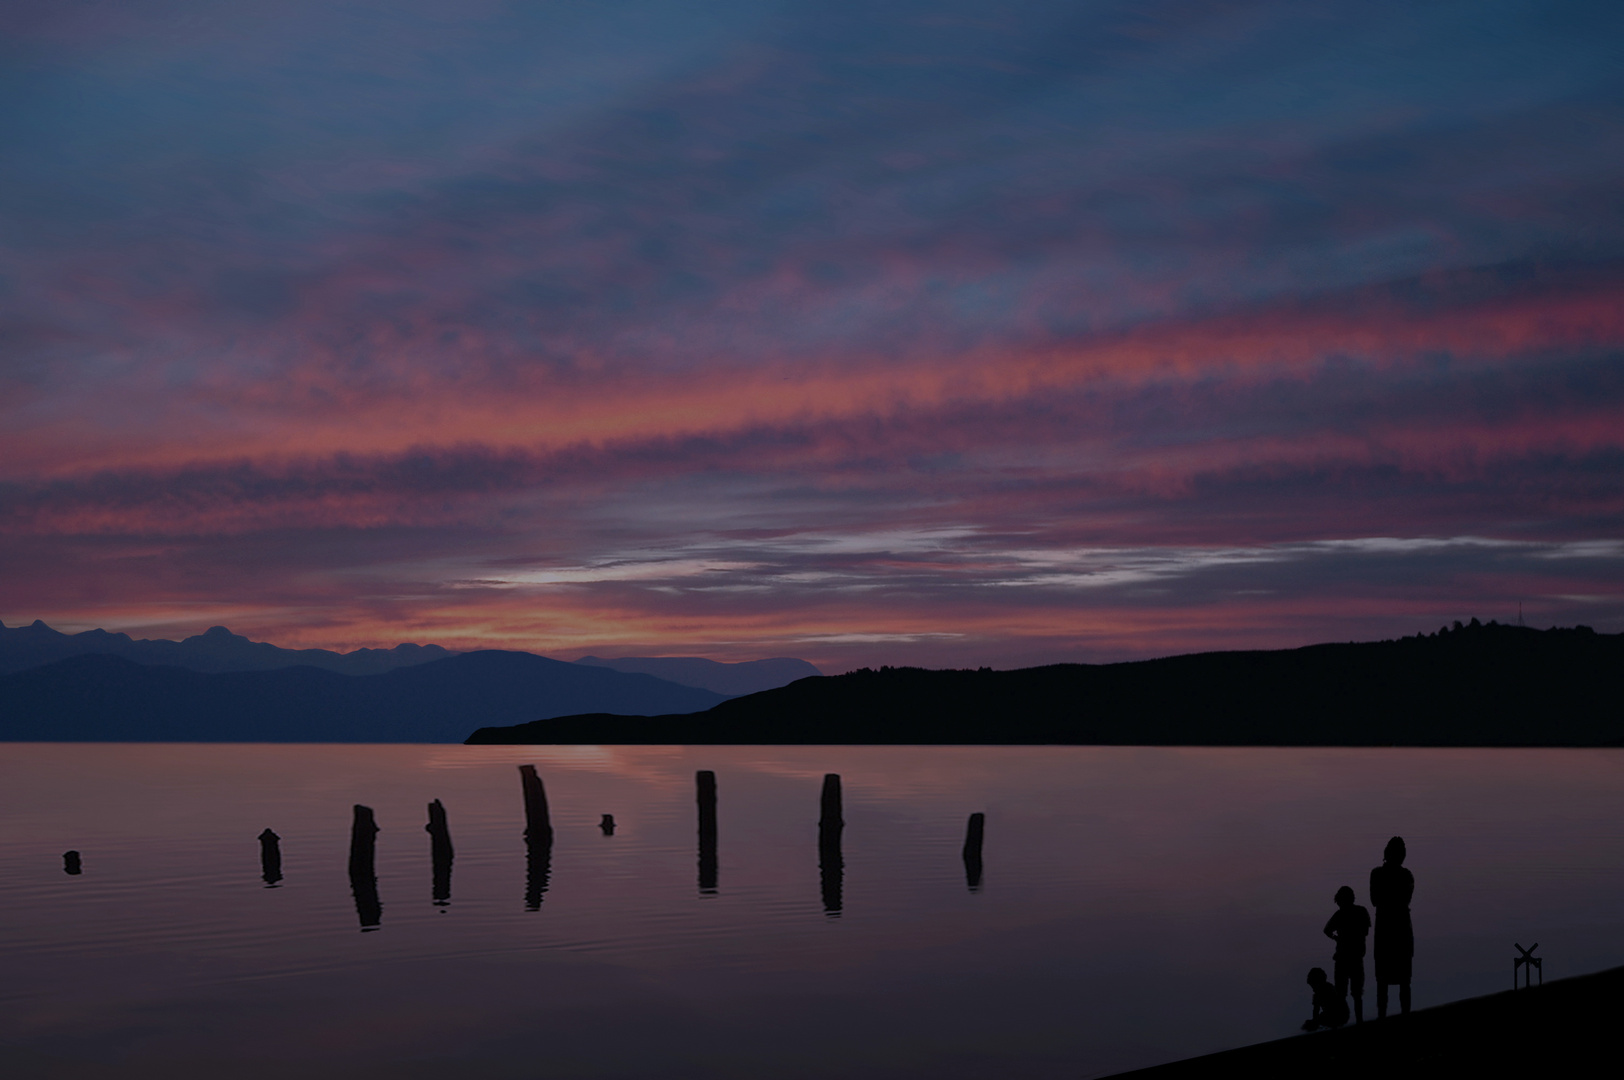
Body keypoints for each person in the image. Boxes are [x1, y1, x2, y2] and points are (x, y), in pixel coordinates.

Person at [1369, 835, 1415, 1017]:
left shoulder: (1377, 874)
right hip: (1401, 928)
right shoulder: (1407, 875)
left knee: (1383, 979)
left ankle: (1382, 1016)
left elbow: (1374, 900)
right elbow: (1406, 899)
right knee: (1404, 980)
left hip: (1386, 929)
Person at [1323, 885, 1371, 1022]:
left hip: (1343, 958)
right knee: (1356, 994)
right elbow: (1366, 932)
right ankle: (1358, 1021)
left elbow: (1326, 930)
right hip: (1355, 957)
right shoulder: (1362, 911)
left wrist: (1337, 938)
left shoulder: (1340, 915)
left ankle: (1342, 1022)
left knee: (1342, 994)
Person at [1302, 967, 1350, 1031]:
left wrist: (1315, 1022)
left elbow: (1334, 1008)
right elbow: (1316, 1011)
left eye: (1313, 985)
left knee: (1317, 1021)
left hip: (1338, 1016)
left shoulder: (1328, 990)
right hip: (1335, 1016)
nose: (1313, 989)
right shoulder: (1319, 993)